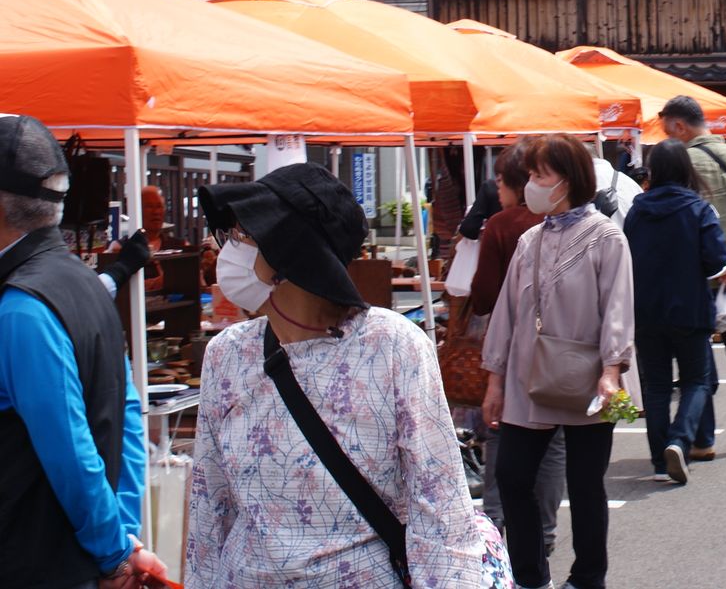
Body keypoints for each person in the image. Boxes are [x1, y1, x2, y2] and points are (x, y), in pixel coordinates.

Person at [186, 162, 496, 587]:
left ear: (286, 252)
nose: (226, 251)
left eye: (240, 236)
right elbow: (210, 501)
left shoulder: (393, 347)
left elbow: (441, 506)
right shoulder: (227, 355)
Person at [0, 114, 168, 589]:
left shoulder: (21, 308)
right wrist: (124, 531)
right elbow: (127, 412)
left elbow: (70, 449)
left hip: (36, 563)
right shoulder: (82, 283)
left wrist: (115, 549)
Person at [482, 134, 634, 589]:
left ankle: (588, 578)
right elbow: (507, 311)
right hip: (527, 376)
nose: (530, 183)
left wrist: (612, 369)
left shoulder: (607, 237)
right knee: (511, 477)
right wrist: (494, 379)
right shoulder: (529, 239)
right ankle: (529, 577)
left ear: (566, 181)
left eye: (538, 175)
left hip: (588, 378)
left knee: (586, 486)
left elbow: (618, 308)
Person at [465, 141, 565, 555]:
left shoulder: (503, 226)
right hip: (561, 348)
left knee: (501, 433)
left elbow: (486, 295)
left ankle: (495, 524)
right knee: (553, 442)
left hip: (512, 348)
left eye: (501, 179)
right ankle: (544, 532)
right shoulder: (568, 223)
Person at [659, 95, 726, 456]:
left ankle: (703, 440)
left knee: (698, 359)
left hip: (699, 274)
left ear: (679, 127)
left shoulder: (682, 164)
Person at [623, 139, 726, 485]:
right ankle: (679, 440)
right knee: (696, 381)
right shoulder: (698, 209)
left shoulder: (638, 209)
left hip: (646, 310)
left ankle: (658, 460)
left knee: (655, 387)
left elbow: (628, 254)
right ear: (686, 168)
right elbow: (714, 261)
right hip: (690, 308)